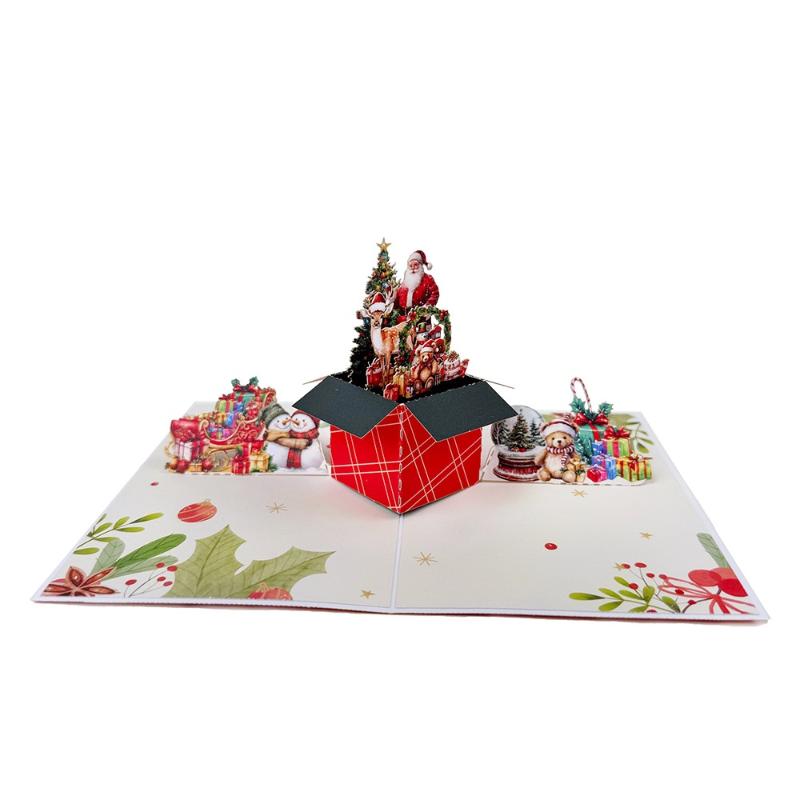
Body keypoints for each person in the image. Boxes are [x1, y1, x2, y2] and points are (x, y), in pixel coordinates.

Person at [394, 250, 439, 317]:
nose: (413, 268)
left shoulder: (428, 279)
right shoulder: (405, 281)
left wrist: (426, 307)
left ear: (420, 265)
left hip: (421, 315)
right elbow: (398, 298)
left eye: (415, 265)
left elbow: (434, 294)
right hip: (403, 316)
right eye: (410, 265)